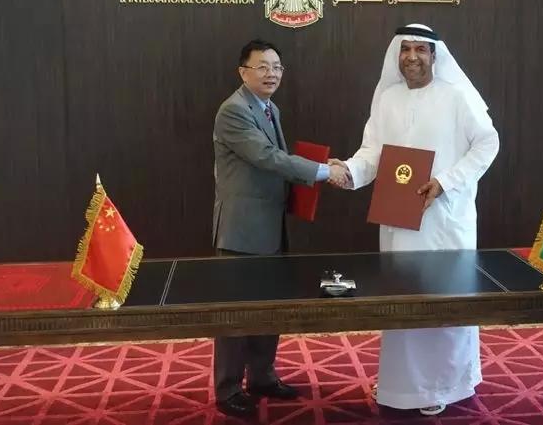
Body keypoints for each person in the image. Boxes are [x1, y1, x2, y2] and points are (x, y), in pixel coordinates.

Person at [330, 24, 500, 415]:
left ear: (434, 55)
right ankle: (403, 384)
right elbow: (372, 153)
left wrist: (446, 182)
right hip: (399, 222)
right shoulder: (387, 98)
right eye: (405, 49)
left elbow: (488, 142)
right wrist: (348, 171)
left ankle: (443, 385)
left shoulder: (456, 96)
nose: (412, 57)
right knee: (402, 300)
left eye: (420, 50)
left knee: (442, 301)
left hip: (443, 221)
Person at [212, 39, 348, 417]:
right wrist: (322, 172)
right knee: (235, 314)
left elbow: (281, 159)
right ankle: (228, 390)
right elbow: (268, 158)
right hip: (241, 231)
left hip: (270, 227)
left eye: (277, 67)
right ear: (243, 72)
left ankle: (261, 377)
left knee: (269, 308)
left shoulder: (270, 108)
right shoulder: (233, 111)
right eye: (262, 67)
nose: (271, 74)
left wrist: (320, 165)